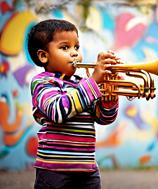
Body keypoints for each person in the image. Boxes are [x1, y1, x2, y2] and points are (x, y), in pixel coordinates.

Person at [28, 19, 119, 189]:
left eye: (76, 47)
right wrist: (93, 82)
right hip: (54, 170)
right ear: (43, 56)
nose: (74, 53)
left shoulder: (82, 84)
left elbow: (103, 118)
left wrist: (109, 100)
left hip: (87, 169)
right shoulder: (42, 82)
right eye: (65, 47)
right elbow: (57, 111)